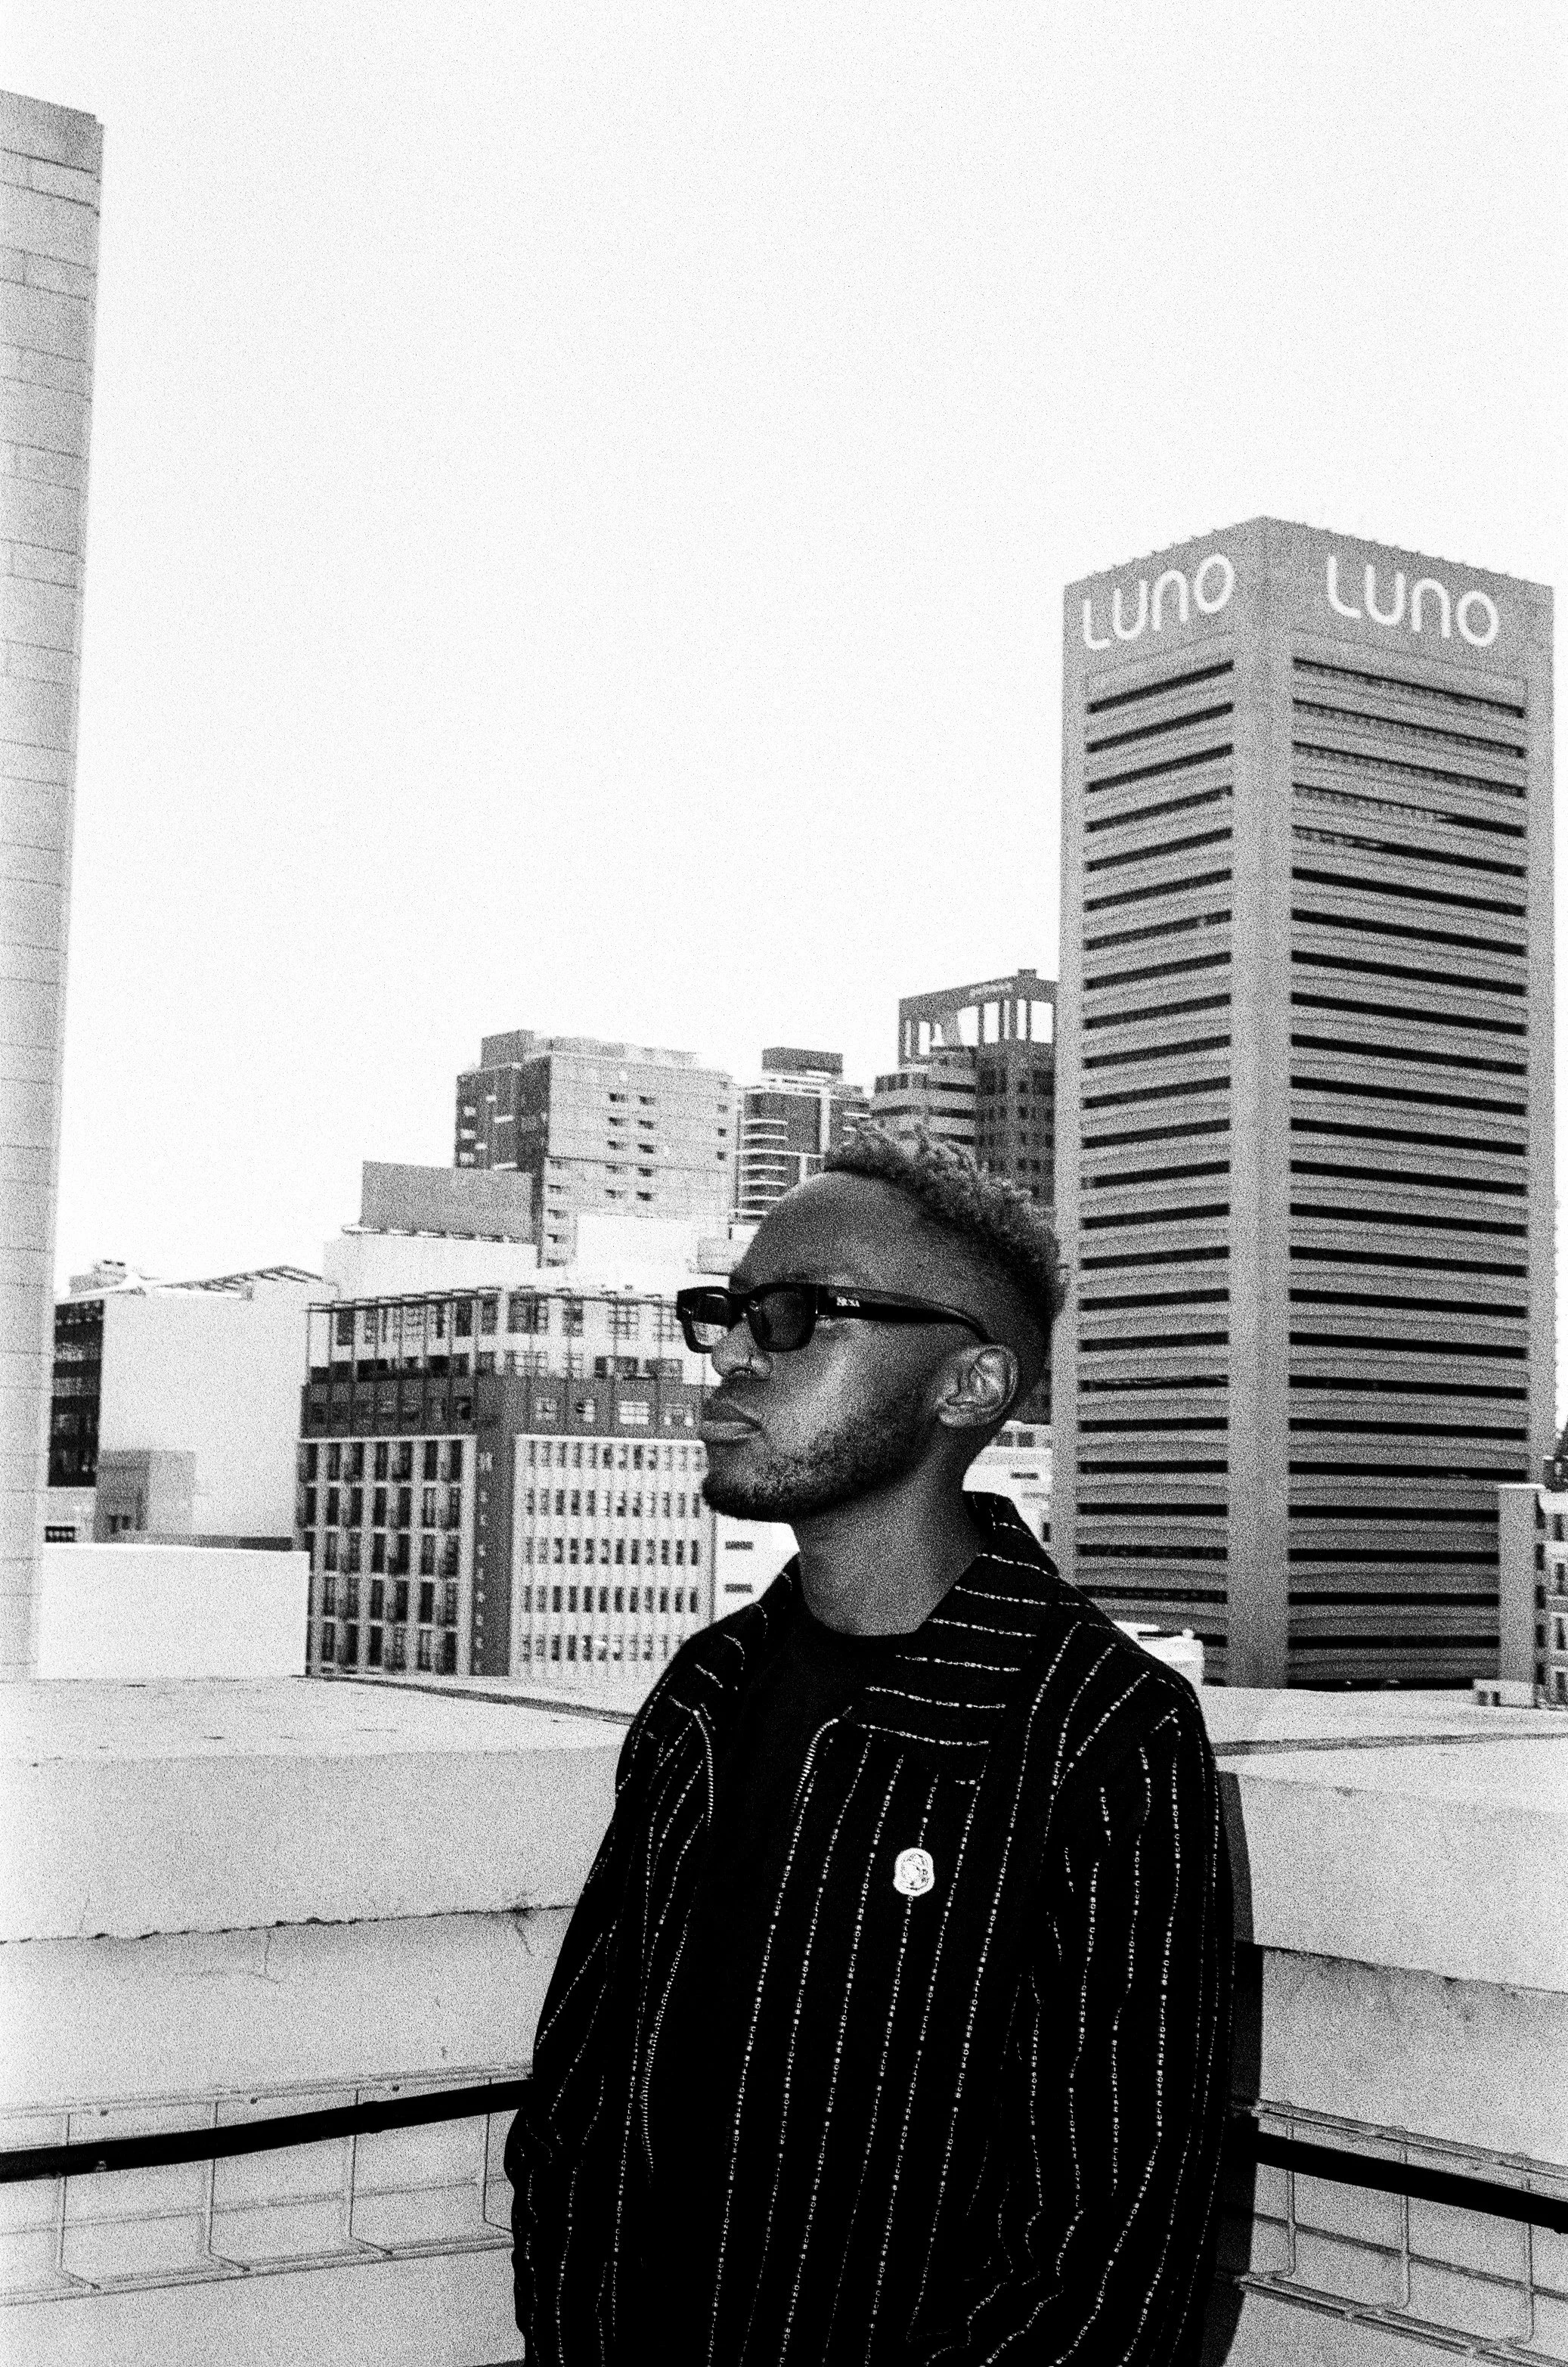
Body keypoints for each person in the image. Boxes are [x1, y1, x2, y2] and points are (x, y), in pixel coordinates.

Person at [507, 1128, 1233, 2365]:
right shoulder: (706, 1692)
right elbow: (577, 2102)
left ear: (966, 1387)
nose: (729, 1352)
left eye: (794, 1315)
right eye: (726, 1311)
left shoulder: (1098, 1737)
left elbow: (1099, 2271)